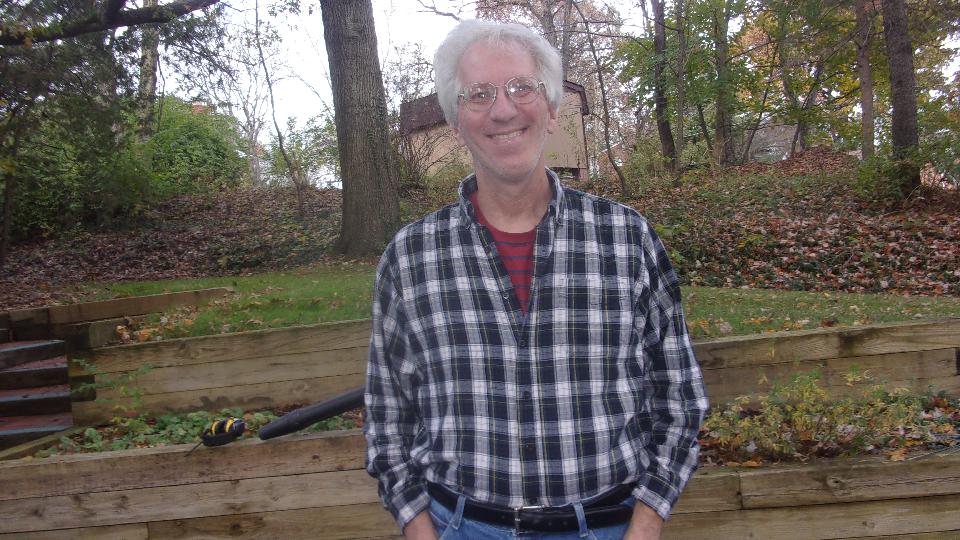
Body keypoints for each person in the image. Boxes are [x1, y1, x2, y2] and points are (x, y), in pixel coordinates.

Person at [365, 19, 709, 540]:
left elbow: (679, 399)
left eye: (521, 87)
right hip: (461, 528)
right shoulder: (410, 258)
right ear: (456, 121)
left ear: (550, 109)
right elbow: (387, 417)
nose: (503, 110)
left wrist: (644, 526)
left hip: (607, 527)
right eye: (478, 94)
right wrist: (420, 529)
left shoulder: (626, 239)